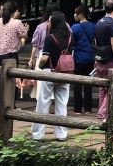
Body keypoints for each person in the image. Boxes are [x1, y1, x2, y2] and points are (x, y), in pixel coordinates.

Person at [32, 12, 72, 142]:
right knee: (62, 104)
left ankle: (38, 134)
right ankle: (61, 133)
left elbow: (44, 57)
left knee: (43, 103)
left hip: (49, 71)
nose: (48, 23)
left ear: (54, 23)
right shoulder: (70, 37)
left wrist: (39, 65)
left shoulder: (50, 38)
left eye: (49, 21)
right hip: (65, 72)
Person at [93, 0, 113, 121]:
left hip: (99, 58)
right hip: (110, 59)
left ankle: (103, 114)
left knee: (102, 89)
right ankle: (102, 115)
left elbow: (95, 41)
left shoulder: (99, 22)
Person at [70, 5, 96, 114]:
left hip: (79, 58)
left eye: (76, 13)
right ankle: (88, 108)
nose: (74, 15)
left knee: (77, 83)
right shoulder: (93, 26)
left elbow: (71, 43)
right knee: (88, 83)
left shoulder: (75, 27)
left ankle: (78, 108)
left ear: (80, 15)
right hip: (90, 57)